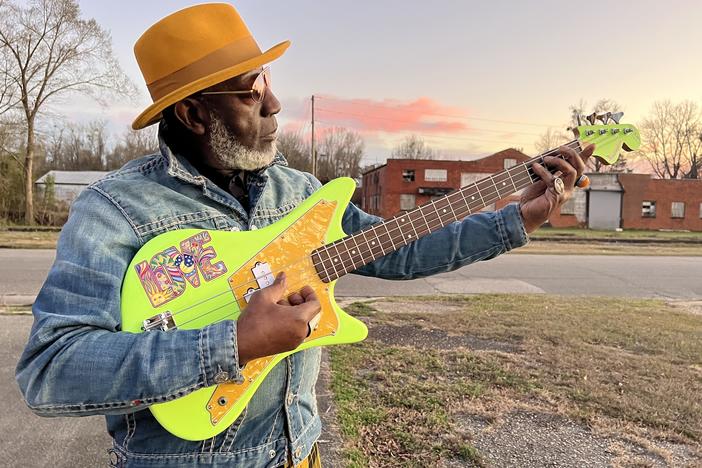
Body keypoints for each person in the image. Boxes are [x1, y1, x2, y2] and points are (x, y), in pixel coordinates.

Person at [15, 3, 592, 467]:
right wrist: (233, 343)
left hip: (301, 450)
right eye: (250, 89)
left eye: (267, 79)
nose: (274, 102)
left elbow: (398, 245)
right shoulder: (114, 208)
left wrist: (517, 219)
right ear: (192, 114)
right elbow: (51, 369)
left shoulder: (297, 191)